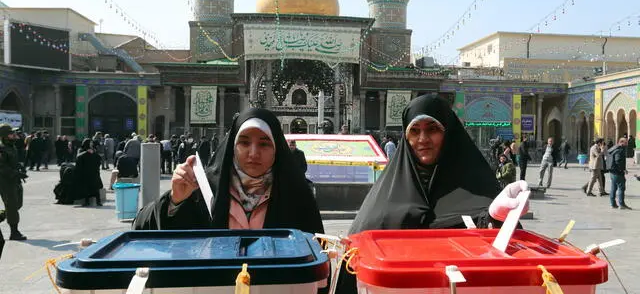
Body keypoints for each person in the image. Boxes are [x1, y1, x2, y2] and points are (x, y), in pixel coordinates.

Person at [334, 95, 529, 293]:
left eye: (433, 129)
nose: (423, 139)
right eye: (414, 131)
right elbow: (357, 257)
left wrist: (496, 218)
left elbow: (509, 252)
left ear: (449, 132)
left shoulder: (476, 184)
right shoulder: (389, 190)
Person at [132, 108, 325, 235]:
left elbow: (319, 258)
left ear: (277, 150)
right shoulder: (203, 189)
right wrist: (174, 201)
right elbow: (140, 228)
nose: (253, 153)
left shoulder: (296, 195)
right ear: (233, 147)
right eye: (244, 142)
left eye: (264, 144)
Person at [0, 124, 27, 241]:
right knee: (12, 206)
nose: (14, 135)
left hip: (15, 180)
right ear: (5, 136)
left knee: (18, 204)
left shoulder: (12, 146)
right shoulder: (1, 149)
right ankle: (14, 232)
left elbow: (13, 162)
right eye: (11, 133)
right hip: (6, 182)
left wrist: (20, 167)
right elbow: (2, 167)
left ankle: (1, 215)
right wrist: (15, 173)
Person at [75, 139, 103, 207]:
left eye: (91, 143)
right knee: (86, 187)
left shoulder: (93, 150)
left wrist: (92, 153)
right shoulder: (81, 150)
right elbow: (79, 158)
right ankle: (87, 201)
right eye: (90, 143)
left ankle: (98, 201)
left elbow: (98, 158)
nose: (91, 144)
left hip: (94, 171)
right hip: (85, 172)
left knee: (96, 187)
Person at [609, 137, 631, 210]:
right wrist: (622, 170)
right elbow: (618, 161)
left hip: (612, 172)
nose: (627, 144)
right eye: (626, 143)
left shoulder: (614, 148)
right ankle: (621, 204)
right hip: (617, 172)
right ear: (621, 142)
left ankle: (613, 204)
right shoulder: (620, 150)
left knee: (613, 188)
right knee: (621, 188)